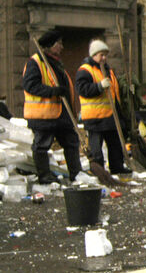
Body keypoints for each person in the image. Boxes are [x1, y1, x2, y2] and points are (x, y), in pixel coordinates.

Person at [22, 30, 83, 184]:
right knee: (42, 146)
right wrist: (53, 91)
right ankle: (44, 176)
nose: (62, 47)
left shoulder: (56, 63)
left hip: (62, 115)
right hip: (44, 115)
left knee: (71, 143)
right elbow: (30, 86)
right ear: (49, 45)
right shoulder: (35, 63)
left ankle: (77, 174)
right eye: (59, 43)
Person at [74, 39, 129, 175]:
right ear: (93, 55)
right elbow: (82, 89)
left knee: (114, 144)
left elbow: (114, 93)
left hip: (110, 116)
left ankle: (117, 168)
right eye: (101, 55)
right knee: (96, 148)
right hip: (95, 117)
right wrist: (98, 86)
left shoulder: (108, 70)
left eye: (105, 55)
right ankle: (99, 171)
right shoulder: (85, 71)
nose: (104, 58)